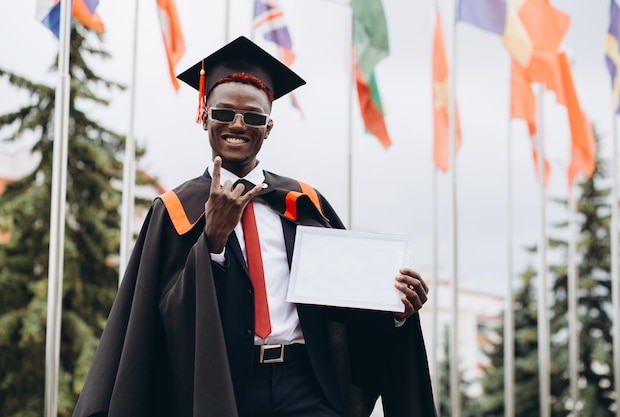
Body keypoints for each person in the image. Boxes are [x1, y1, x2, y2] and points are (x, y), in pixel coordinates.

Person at [73, 36, 437, 417]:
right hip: (220, 388)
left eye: (254, 117)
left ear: (269, 127)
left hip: (304, 385)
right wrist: (212, 243)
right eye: (224, 113)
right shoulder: (174, 211)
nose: (238, 124)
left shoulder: (304, 204)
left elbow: (344, 307)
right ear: (204, 117)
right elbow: (159, 319)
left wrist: (395, 309)